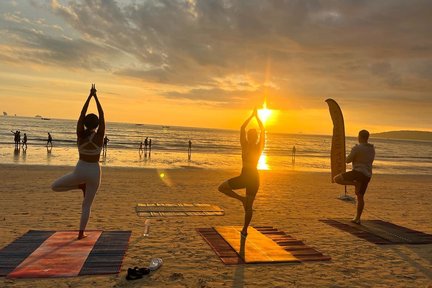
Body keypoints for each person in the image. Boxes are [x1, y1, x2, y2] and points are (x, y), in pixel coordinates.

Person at [51, 84, 105, 239]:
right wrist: (96, 97)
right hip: (94, 171)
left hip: (80, 169)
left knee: (55, 187)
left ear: (85, 124)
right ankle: (81, 233)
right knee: (87, 205)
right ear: (97, 125)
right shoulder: (100, 136)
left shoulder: (80, 134)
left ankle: (79, 186)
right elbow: (102, 115)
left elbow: (82, 114)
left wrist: (89, 96)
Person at [218, 108, 265, 236]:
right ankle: (241, 199)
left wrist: (258, 118)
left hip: (253, 178)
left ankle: (245, 229)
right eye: (250, 136)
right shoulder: (244, 145)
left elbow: (263, 131)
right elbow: (242, 128)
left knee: (248, 207)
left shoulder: (259, 147)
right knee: (221, 187)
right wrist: (251, 116)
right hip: (244, 176)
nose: (251, 137)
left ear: (255, 137)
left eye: (253, 136)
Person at [334, 130, 375, 224]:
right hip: (367, 174)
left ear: (359, 137)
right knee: (360, 196)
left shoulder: (357, 148)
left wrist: (346, 155)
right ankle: (357, 218)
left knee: (337, 179)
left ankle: (355, 183)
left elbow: (348, 160)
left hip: (358, 172)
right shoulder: (372, 148)